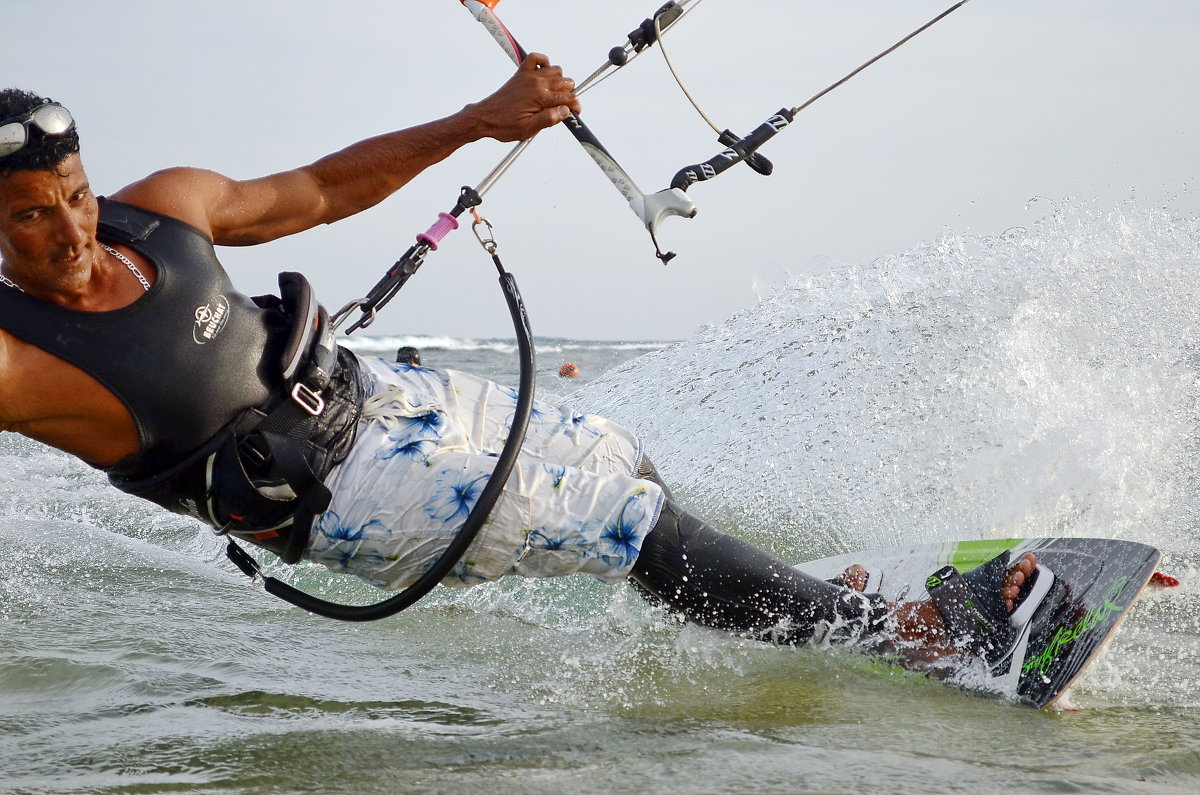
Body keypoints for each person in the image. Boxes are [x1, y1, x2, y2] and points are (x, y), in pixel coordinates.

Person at [0, 66, 1036, 675]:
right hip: (340, 496)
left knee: (619, 462)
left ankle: (807, 604)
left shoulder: (163, 210)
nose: (72, 231)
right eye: (32, 217)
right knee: (628, 531)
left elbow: (315, 188)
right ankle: (911, 636)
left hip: (385, 399)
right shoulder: (17, 355)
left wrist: (481, 119)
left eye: (75, 195)